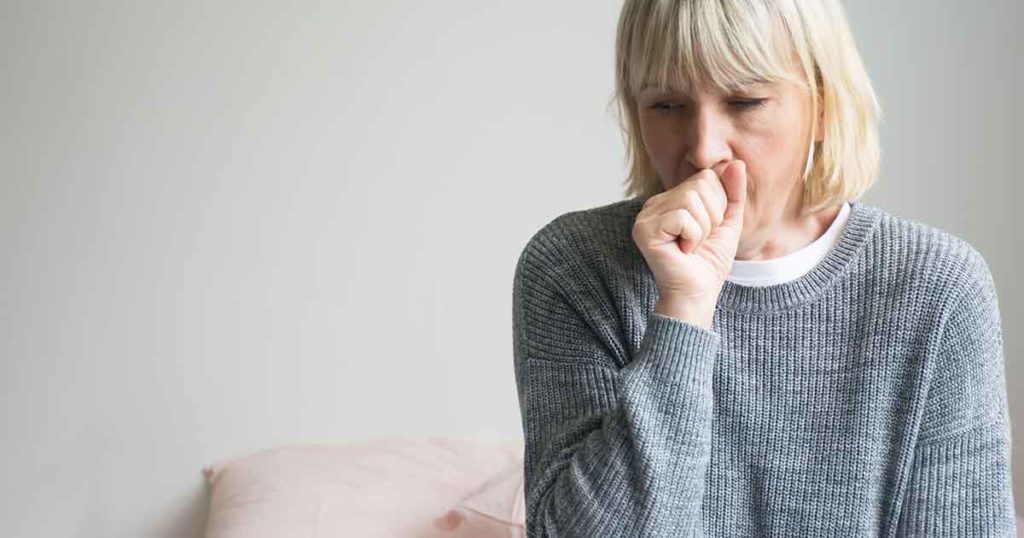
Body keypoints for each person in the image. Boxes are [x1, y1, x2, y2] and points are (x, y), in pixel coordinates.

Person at [511, 0, 1017, 536]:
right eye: (666, 106)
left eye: (745, 101)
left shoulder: (938, 287)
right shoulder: (573, 267)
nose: (704, 151)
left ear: (823, 107)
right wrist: (683, 311)